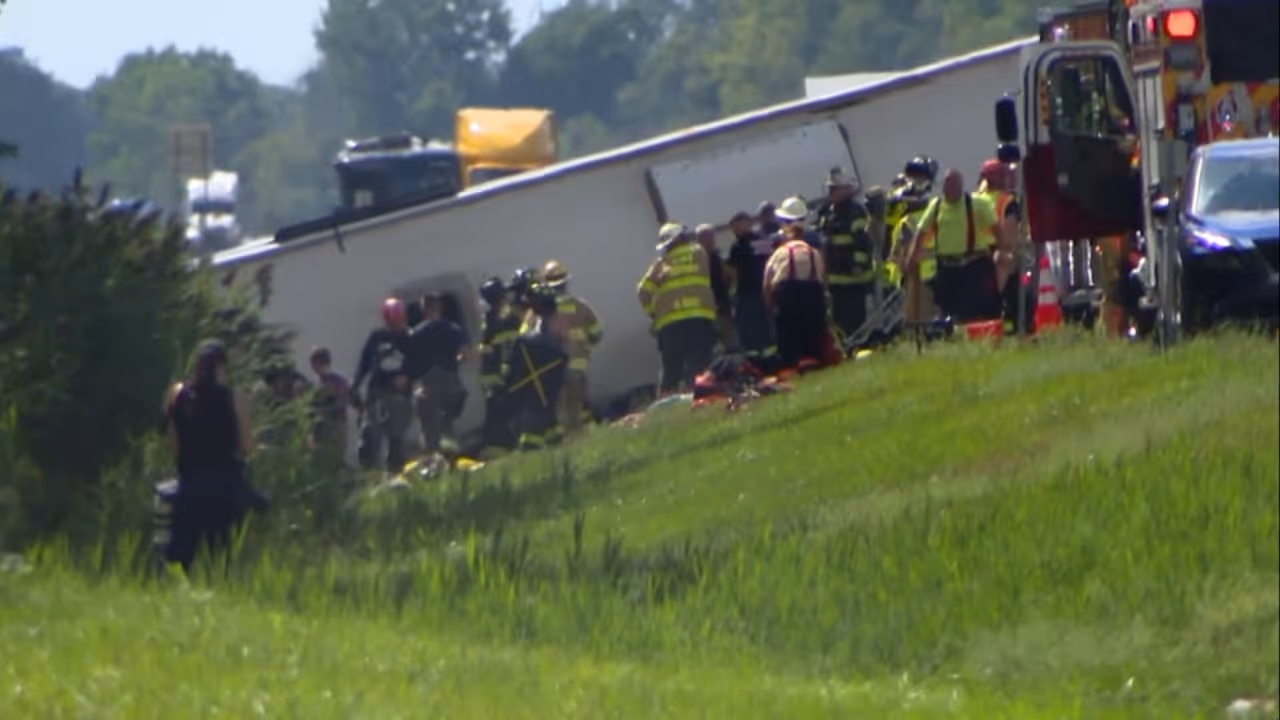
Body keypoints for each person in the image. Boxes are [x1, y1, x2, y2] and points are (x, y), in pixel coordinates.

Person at [160, 340, 263, 573]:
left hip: (189, 484)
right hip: (226, 487)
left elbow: (171, 443)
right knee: (223, 559)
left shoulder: (176, 394)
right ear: (222, 368)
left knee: (181, 562)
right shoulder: (235, 399)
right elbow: (247, 448)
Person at [905, 169, 1003, 324]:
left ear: (961, 187)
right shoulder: (936, 205)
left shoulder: (977, 204)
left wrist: (1003, 249)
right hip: (946, 268)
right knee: (947, 310)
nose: (950, 191)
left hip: (972, 266)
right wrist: (912, 255)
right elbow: (921, 231)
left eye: (954, 187)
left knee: (970, 311)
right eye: (947, 187)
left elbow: (997, 229)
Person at [637, 222, 719, 395]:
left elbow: (643, 292)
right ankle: (699, 396)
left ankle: (666, 403)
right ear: (681, 236)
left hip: (670, 323)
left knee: (671, 368)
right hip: (699, 317)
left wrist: (653, 313)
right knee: (699, 362)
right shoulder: (699, 253)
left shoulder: (661, 264)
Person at [352, 297, 413, 473]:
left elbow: (419, 362)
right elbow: (365, 362)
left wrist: (408, 377)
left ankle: (395, 471)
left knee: (397, 436)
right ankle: (369, 471)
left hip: (400, 394)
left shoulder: (410, 337)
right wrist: (356, 384)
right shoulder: (377, 337)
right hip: (377, 390)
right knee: (371, 432)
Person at [503, 285, 568, 450]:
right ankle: (553, 439)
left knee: (536, 419)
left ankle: (532, 445)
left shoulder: (530, 335)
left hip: (537, 383)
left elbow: (514, 361)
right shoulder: (549, 324)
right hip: (551, 379)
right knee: (548, 415)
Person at [541, 260, 602, 432]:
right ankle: (580, 428)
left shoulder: (544, 311)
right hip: (578, 360)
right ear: (566, 283)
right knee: (578, 397)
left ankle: (566, 431)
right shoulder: (581, 306)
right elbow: (597, 333)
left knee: (560, 401)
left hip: (555, 364)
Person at [406, 291, 470, 455]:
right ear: (440, 307)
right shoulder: (454, 328)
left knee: (430, 428)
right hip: (452, 382)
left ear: (423, 308)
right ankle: (451, 456)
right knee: (447, 423)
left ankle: (434, 458)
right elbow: (464, 355)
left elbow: (410, 362)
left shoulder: (416, 333)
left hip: (429, 384)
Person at [816, 167, 875, 342]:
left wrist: (858, 265)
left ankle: (858, 346)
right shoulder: (829, 212)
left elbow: (863, 243)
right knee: (839, 323)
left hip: (853, 280)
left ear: (846, 190)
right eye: (830, 189)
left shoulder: (855, 212)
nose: (831, 192)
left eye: (834, 189)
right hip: (835, 280)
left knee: (854, 323)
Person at [763, 220, 831, 370]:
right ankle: (816, 362)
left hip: (787, 295)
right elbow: (822, 278)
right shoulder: (814, 252)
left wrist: (769, 306)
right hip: (813, 294)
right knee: (814, 334)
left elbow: (767, 283)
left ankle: (791, 366)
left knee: (788, 336)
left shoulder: (779, 253)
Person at [974, 158, 1028, 333]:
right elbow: (1009, 239)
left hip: (973, 257)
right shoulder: (1007, 202)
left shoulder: (973, 200)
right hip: (996, 256)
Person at [725, 210, 779, 367]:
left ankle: (757, 362)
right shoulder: (761, 241)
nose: (734, 230)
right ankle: (770, 361)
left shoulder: (738, 246)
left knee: (752, 329)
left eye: (736, 226)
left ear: (746, 224)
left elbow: (732, 272)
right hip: (760, 291)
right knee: (763, 328)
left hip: (748, 294)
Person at [477, 276, 521, 456]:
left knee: (496, 410)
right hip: (504, 373)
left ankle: (498, 445)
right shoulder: (507, 318)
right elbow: (509, 348)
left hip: (491, 376)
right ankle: (508, 444)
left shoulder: (488, 319)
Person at [308, 346, 351, 471]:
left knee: (335, 458)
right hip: (321, 427)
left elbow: (341, 403)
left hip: (336, 424)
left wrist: (322, 410)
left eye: (314, 364)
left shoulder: (337, 381)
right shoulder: (318, 383)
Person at [695, 223, 735, 351]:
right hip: (704, 311)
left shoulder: (719, 257)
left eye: (711, 236)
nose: (709, 240)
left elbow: (731, 276)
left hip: (722, 307)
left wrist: (729, 294)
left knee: (729, 343)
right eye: (705, 237)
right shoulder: (695, 260)